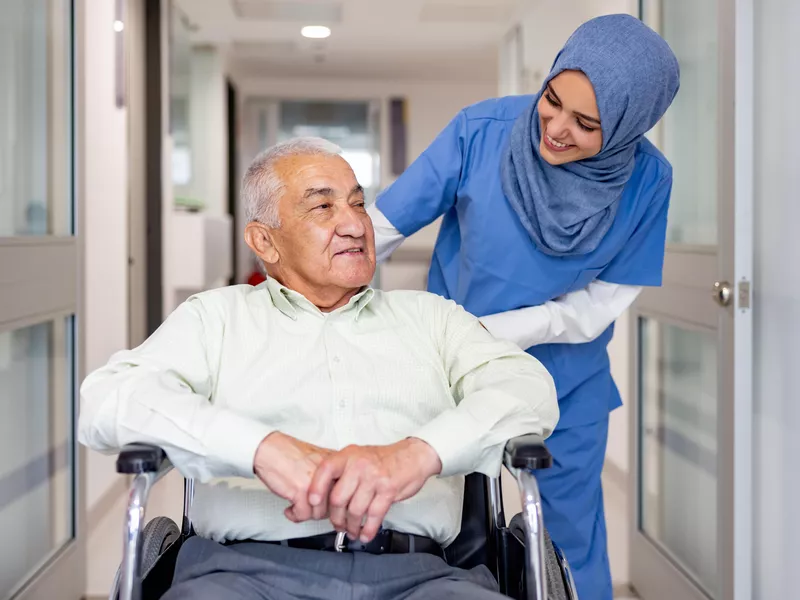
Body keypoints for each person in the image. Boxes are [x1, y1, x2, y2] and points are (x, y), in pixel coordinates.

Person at [78, 138, 559, 600]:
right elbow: (106, 400)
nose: (354, 225)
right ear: (264, 241)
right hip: (239, 577)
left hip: (422, 577)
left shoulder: (433, 318)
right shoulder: (215, 318)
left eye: (357, 204)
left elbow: (529, 390)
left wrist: (417, 455)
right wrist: (262, 449)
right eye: (323, 207)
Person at [367, 14, 680, 600]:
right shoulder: (481, 131)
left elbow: (597, 307)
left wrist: (498, 330)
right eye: (552, 100)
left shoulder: (648, 182)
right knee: (433, 527)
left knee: (565, 543)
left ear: (628, 126)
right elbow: (381, 227)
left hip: (566, 382)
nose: (556, 129)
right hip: (449, 372)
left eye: (586, 123)